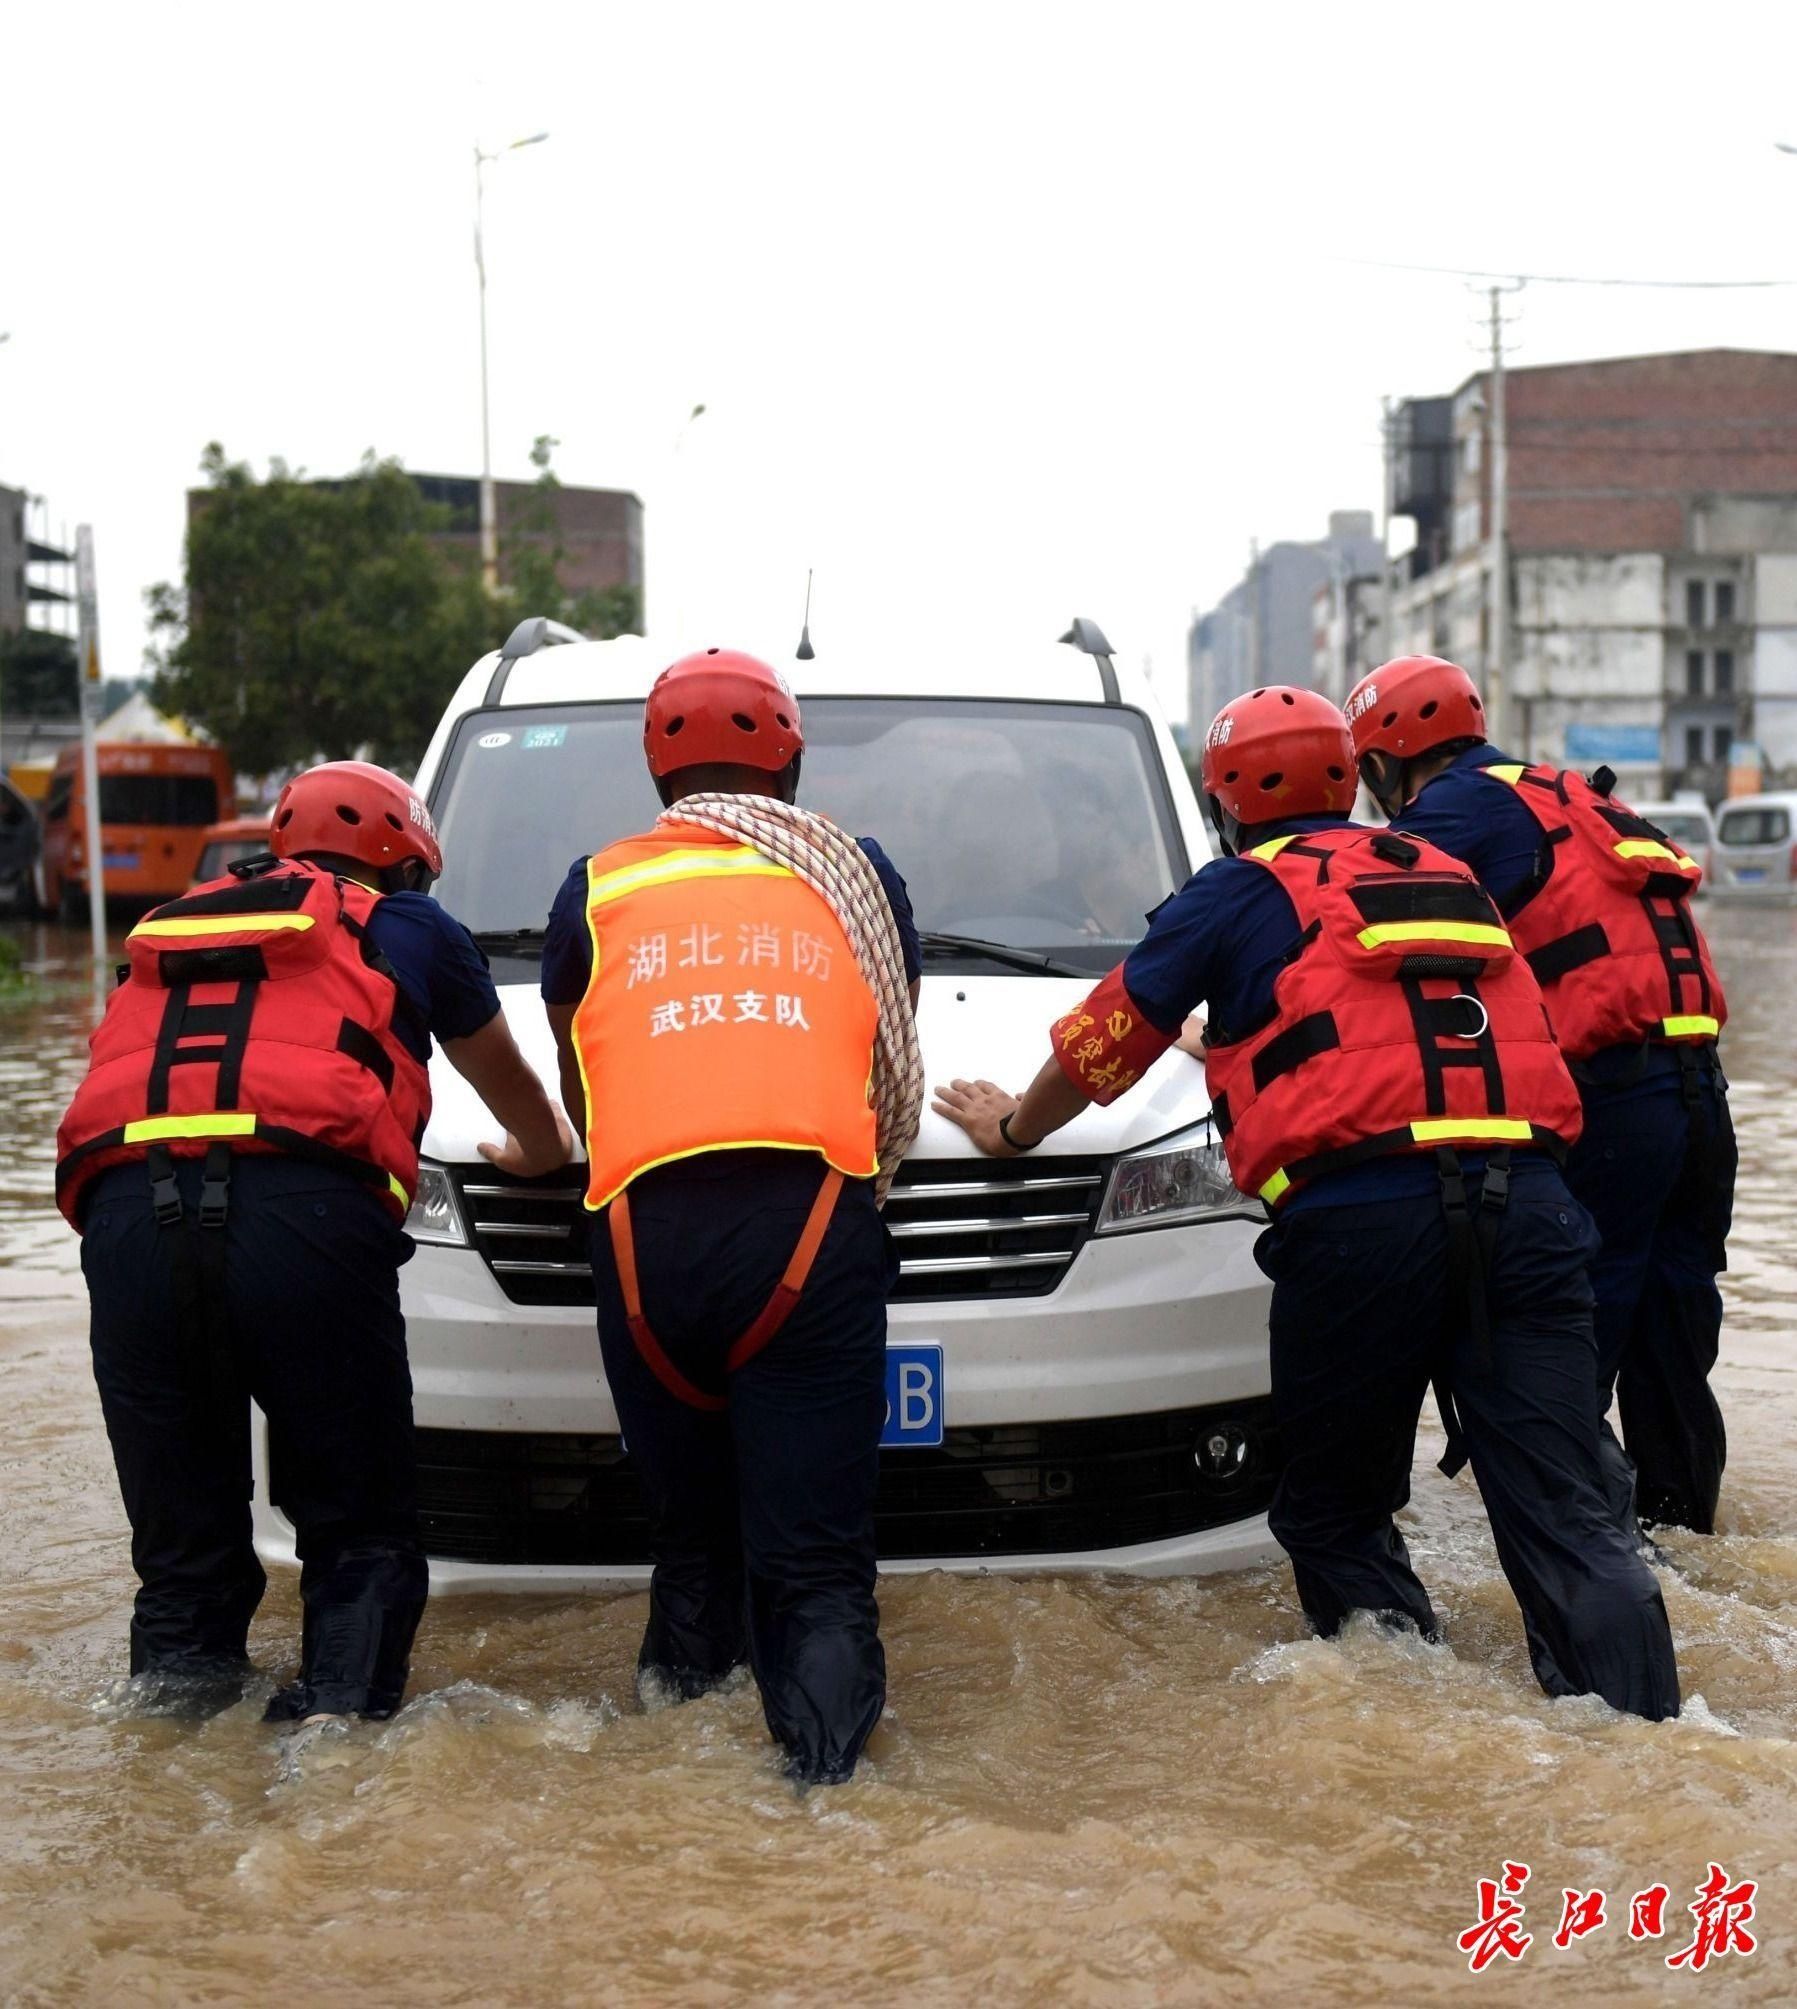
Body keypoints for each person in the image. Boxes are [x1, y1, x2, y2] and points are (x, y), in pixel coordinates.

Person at [934, 685, 1680, 1720]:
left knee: (1334, 1513)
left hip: (1361, 1227)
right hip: (1531, 1210)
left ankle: (1410, 1734)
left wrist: (1013, 1126)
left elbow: (1101, 1042)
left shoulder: (1236, 890)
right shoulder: (1449, 871)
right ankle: (1646, 1744)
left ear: (1228, 801)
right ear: (1351, 778)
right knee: (1570, 1516)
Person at [56, 761, 570, 1724]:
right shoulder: (410, 926)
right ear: (408, 862)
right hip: (307, 1216)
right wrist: (544, 1154)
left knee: (183, 1563)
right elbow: (518, 1098)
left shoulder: (181, 923)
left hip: (128, 1221)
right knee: (359, 1535)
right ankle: (332, 1758)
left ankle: (170, 1766)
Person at [539, 647, 922, 1785]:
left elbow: (581, 1071)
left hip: (638, 1242)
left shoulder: (594, 886)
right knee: (813, 1569)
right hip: (807, 1233)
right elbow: (882, 1043)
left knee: (693, 1552)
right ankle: (823, 1816)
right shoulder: (856, 871)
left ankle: (674, 1798)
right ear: (792, 763)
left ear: (658, 768)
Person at [1346, 656, 1734, 1536]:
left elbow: (1350, 911)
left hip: (1617, 1106)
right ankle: (1681, 1545)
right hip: (1702, 1096)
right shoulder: (1564, 794)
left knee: (1564, 1346)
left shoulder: (1457, 808)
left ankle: (1604, 1571)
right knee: (1673, 1346)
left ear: (1383, 761)